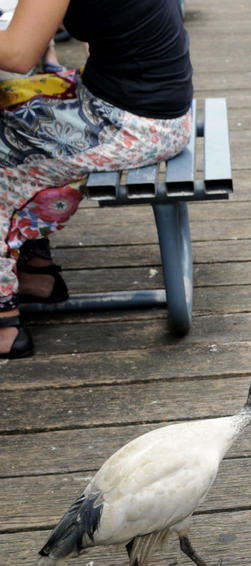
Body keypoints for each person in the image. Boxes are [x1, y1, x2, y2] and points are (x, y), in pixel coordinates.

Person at [0, 0, 193, 358]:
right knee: (13, 101)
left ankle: (4, 324)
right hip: (148, 102)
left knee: (5, 141)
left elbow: (16, 54)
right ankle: (36, 272)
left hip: (134, 122)